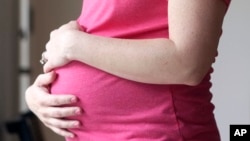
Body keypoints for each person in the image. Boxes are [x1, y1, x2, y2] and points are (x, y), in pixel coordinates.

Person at [25, 0, 231, 140]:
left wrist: (72, 44)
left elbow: (188, 63)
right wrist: (43, 86)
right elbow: (102, 35)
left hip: (156, 130)